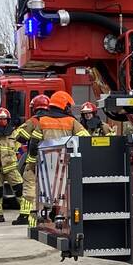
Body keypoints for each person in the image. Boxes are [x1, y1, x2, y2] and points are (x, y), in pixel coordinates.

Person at [26, 91, 90, 230]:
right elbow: (85, 138)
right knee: (64, 190)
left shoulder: (42, 121)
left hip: (46, 164)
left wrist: (31, 163)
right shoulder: (71, 121)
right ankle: (61, 216)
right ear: (64, 105)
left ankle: (43, 215)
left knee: (45, 190)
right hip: (65, 163)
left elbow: (33, 143)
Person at [12, 94, 50, 226]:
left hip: (34, 160)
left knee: (29, 187)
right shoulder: (54, 120)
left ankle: (25, 215)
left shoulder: (33, 121)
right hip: (52, 161)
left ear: (35, 108)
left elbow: (19, 136)